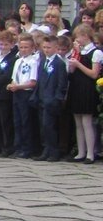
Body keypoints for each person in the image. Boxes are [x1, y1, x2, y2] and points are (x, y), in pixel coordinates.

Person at [66, 24, 101, 162]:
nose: (77, 40)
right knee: (78, 122)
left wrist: (79, 64)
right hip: (76, 87)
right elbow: (71, 71)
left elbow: (94, 74)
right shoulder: (78, 52)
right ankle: (80, 152)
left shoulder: (95, 52)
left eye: (78, 37)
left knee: (87, 122)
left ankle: (90, 153)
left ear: (85, 36)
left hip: (88, 88)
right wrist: (75, 57)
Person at [34, 33, 69, 162]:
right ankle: (46, 149)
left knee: (50, 126)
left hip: (52, 100)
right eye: (44, 47)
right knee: (43, 127)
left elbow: (62, 83)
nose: (46, 50)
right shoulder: (43, 61)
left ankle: (54, 151)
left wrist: (57, 99)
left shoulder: (59, 63)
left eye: (49, 47)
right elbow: (40, 80)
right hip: (42, 98)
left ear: (55, 48)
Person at [8, 32, 41, 158]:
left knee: (26, 121)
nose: (23, 50)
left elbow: (33, 82)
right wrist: (12, 85)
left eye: (26, 47)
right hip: (16, 93)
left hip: (26, 93)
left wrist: (18, 86)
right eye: (21, 47)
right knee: (17, 121)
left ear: (32, 48)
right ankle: (18, 146)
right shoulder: (18, 61)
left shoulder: (33, 61)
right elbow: (14, 78)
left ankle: (28, 148)